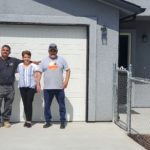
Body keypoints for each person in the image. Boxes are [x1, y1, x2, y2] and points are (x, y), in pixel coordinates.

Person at [0, 45, 39, 128]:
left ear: (9, 52)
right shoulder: (18, 65)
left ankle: (6, 120)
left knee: (8, 105)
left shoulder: (13, 60)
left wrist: (35, 62)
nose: (5, 51)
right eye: (3, 50)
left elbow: (26, 61)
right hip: (0, 86)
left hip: (10, 87)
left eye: (7, 50)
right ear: (1, 51)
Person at [36, 43, 70, 129]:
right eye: (51, 50)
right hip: (47, 88)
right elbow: (39, 72)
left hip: (59, 88)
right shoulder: (44, 61)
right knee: (47, 106)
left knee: (62, 106)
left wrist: (66, 81)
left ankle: (62, 122)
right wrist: (38, 83)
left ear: (57, 51)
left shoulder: (62, 59)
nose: (53, 52)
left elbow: (68, 70)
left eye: (54, 50)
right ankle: (48, 121)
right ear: (48, 51)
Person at [17, 50, 38, 128]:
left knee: (29, 103)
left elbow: (37, 76)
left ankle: (29, 121)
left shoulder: (34, 66)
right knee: (25, 103)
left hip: (31, 87)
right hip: (22, 87)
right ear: (22, 57)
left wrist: (38, 85)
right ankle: (27, 120)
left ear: (30, 58)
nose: (26, 58)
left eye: (28, 57)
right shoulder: (19, 65)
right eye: (25, 57)